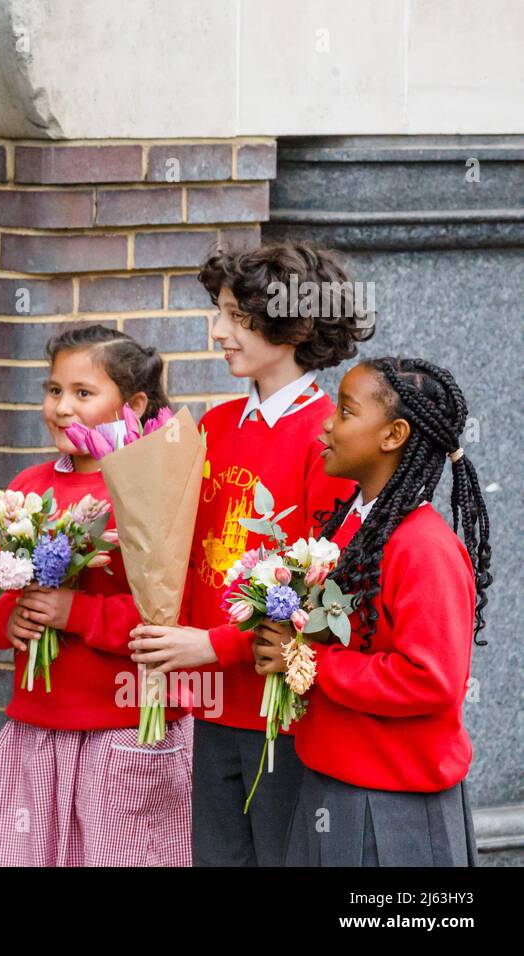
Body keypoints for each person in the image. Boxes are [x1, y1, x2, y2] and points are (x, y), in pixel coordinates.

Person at [128, 242, 373, 866]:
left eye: (237, 317)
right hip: (212, 703)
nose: (218, 331)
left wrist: (215, 644)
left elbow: (325, 588)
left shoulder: (330, 440)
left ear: (294, 325)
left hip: (284, 709)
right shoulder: (215, 424)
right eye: (220, 312)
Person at [0, 326, 192, 866]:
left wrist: (77, 612)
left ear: (133, 404)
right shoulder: (26, 486)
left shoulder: (153, 490)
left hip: (126, 734)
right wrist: (6, 618)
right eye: (54, 390)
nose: (62, 407)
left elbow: (174, 614)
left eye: (83, 394)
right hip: (36, 732)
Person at [255, 358, 490, 866]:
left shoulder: (424, 547)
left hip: (391, 810)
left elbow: (429, 680)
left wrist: (308, 663)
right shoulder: (351, 529)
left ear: (393, 435)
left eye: (345, 412)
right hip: (330, 788)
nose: (327, 424)